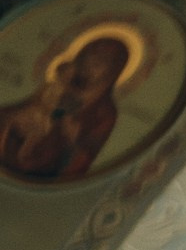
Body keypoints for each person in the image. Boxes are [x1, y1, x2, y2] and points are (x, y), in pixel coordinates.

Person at [0, 27, 135, 183]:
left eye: (101, 61)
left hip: (51, 154)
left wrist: (70, 135)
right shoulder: (61, 81)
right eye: (90, 55)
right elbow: (30, 104)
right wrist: (17, 116)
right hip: (23, 129)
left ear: (112, 71)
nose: (91, 63)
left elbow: (86, 153)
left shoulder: (105, 111)